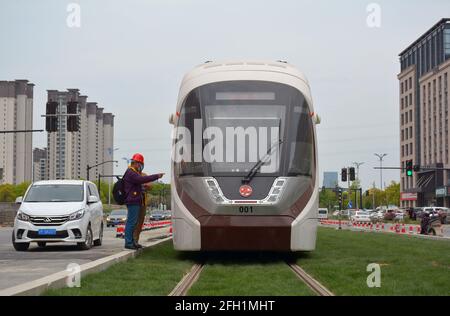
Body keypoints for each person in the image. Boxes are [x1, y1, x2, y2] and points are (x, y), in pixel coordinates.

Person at [123, 153, 164, 250]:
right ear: (136, 163)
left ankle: (132, 242)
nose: (140, 166)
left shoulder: (133, 172)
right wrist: (156, 176)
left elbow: (142, 182)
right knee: (131, 222)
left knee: (134, 222)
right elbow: (142, 179)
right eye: (140, 164)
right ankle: (128, 242)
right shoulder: (131, 172)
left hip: (136, 201)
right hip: (133, 201)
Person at [133, 174, 152, 247]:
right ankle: (131, 241)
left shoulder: (144, 175)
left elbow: (150, 186)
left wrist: (147, 185)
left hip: (143, 203)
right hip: (134, 202)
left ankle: (136, 240)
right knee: (133, 222)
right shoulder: (131, 174)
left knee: (140, 222)